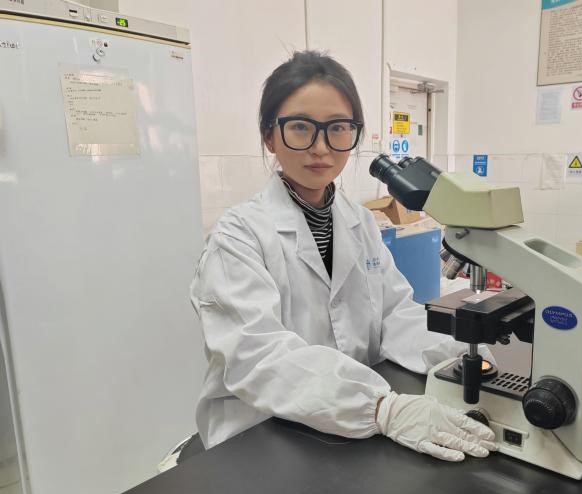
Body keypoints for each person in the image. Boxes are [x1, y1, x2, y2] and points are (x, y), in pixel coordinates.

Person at [190, 50, 496, 462]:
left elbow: (395, 314)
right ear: (269, 136)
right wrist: (382, 408)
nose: (321, 147)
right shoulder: (237, 237)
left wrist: (454, 353)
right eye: (301, 127)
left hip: (349, 429)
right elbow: (258, 357)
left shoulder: (359, 222)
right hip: (264, 435)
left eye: (337, 128)